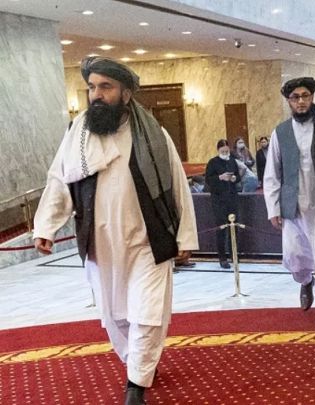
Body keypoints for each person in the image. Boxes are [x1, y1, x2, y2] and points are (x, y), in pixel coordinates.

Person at [33, 56, 197, 405]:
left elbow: (177, 186)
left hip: (148, 242)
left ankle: (135, 386)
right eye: (92, 87)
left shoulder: (153, 133)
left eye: (106, 87)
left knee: (147, 313)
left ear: (126, 93)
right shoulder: (77, 136)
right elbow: (59, 179)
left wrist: (184, 236)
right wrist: (46, 225)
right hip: (101, 244)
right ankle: (139, 362)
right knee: (115, 317)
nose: (96, 94)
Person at [263, 76, 315, 325]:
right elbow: (272, 173)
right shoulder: (280, 132)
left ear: (312, 97)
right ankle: (305, 281)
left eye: (305, 96)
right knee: (295, 255)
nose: (301, 101)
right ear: (288, 101)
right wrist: (273, 208)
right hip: (292, 205)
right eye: (295, 97)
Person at [205, 139, 241, 268]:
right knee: (221, 228)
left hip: (232, 198)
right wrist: (220, 177)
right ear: (218, 150)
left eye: (227, 151)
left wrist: (234, 178)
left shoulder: (232, 161)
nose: (225, 153)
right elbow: (208, 180)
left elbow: (238, 176)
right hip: (219, 200)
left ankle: (234, 254)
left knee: (234, 228)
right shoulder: (213, 162)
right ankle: (222, 258)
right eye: (223, 151)